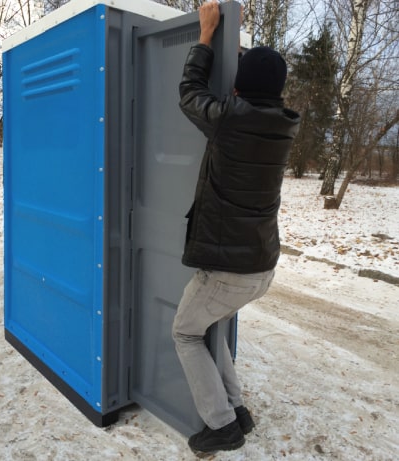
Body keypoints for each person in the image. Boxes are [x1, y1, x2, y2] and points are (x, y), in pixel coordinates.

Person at [172, 0, 300, 454]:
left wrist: (207, 36)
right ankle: (237, 410)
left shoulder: (230, 120)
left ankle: (222, 424)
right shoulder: (284, 128)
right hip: (261, 267)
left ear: (240, 89)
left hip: (229, 272)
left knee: (185, 333)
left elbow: (189, 93)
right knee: (212, 327)